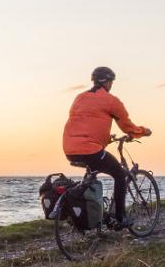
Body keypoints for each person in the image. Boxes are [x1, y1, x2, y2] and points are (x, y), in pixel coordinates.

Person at [62, 66, 151, 227]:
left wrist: (105, 138)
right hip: (90, 150)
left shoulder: (79, 98)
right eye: (111, 82)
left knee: (92, 175)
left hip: (70, 149)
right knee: (118, 174)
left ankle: (91, 216)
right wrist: (143, 131)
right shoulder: (111, 101)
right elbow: (127, 127)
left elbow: (85, 123)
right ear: (108, 83)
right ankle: (120, 217)